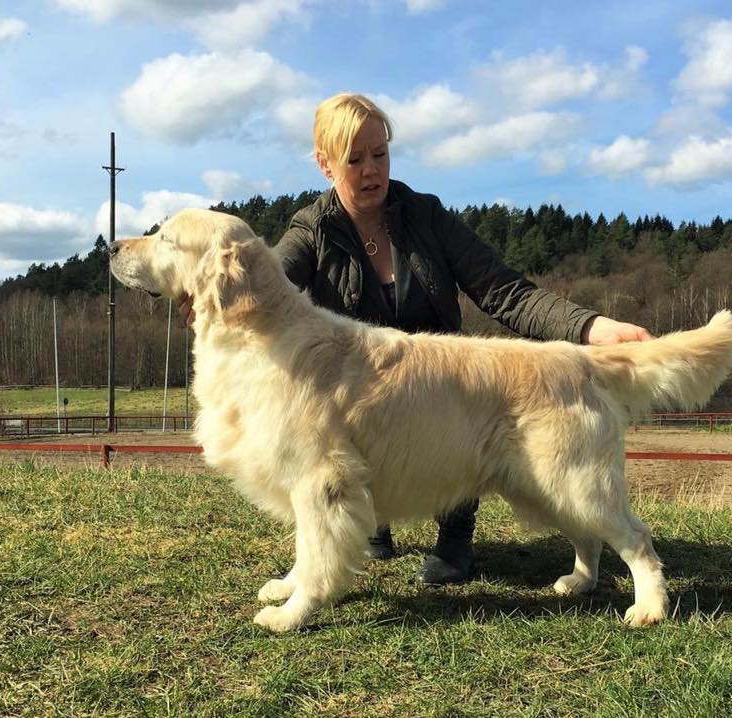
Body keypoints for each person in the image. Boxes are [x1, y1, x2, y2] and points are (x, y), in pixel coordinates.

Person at [182, 92, 653, 586]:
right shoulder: (311, 230)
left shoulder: (427, 217)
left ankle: (455, 535)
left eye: (380, 155)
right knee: (355, 497)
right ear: (325, 164)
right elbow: (271, 286)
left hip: (444, 397)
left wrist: (591, 328)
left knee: (466, 449)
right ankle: (371, 530)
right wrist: (213, 289)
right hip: (368, 415)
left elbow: (504, 290)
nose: (371, 172)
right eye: (355, 159)